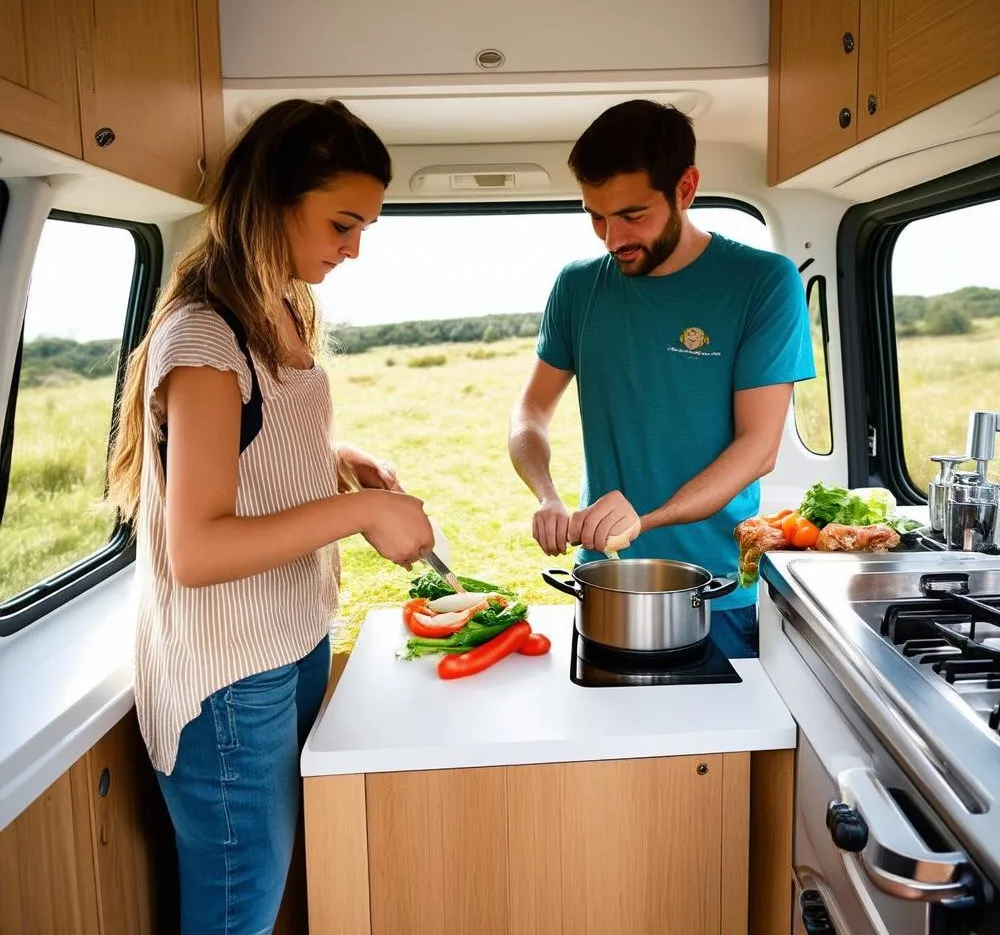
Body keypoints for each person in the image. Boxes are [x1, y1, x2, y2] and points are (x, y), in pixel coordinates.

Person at [106, 98, 435, 934]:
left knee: (261, 890)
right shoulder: (204, 340)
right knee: (239, 910)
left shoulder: (281, 309)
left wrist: (339, 460)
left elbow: (252, 444)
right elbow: (201, 548)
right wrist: (359, 508)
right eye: (342, 223)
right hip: (227, 675)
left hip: (289, 639)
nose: (354, 248)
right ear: (273, 203)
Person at [508, 99, 814, 658]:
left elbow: (758, 447)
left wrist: (645, 520)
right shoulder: (577, 287)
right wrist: (547, 495)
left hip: (715, 589)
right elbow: (530, 413)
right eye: (595, 216)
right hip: (604, 583)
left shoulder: (763, 282)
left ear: (686, 188)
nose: (610, 237)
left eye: (632, 215)